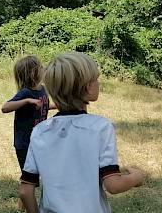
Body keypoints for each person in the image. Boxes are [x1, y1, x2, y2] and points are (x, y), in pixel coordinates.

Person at [19, 51, 145, 213]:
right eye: (96, 79)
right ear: (87, 87)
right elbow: (113, 185)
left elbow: (25, 190)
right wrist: (137, 177)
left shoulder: (40, 131)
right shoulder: (100, 127)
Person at [1, 55, 50, 211]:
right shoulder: (25, 93)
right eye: (40, 67)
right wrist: (27, 101)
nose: (43, 69)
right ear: (33, 72)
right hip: (25, 143)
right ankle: (24, 207)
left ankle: (21, 207)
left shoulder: (42, 90)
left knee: (33, 178)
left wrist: (63, 106)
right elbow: (5, 107)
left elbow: (43, 106)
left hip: (39, 142)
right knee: (29, 179)